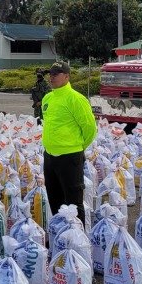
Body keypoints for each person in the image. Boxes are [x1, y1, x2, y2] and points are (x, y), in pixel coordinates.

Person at [41, 61, 97, 225]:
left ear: (66, 76)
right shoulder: (48, 97)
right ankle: (59, 235)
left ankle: (77, 239)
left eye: (56, 74)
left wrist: (77, 148)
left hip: (70, 157)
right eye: (50, 74)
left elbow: (89, 128)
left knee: (73, 201)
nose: (52, 78)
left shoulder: (76, 99)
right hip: (50, 156)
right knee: (54, 198)